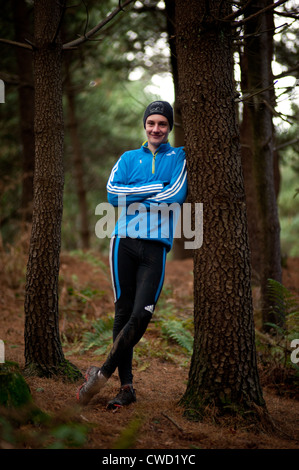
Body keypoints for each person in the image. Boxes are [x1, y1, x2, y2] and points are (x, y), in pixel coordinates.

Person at [77, 100, 187, 409]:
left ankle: (101, 374)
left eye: (162, 124)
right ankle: (126, 387)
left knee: (142, 314)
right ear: (145, 125)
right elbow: (113, 194)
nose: (156, 129)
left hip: (156, 246)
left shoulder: (180, 158)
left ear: (169, 128)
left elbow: (174, 196)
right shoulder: (127, 158)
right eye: (151, 123)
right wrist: (154, 187)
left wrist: (136, 193)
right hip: (122, 241)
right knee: (123, 313)